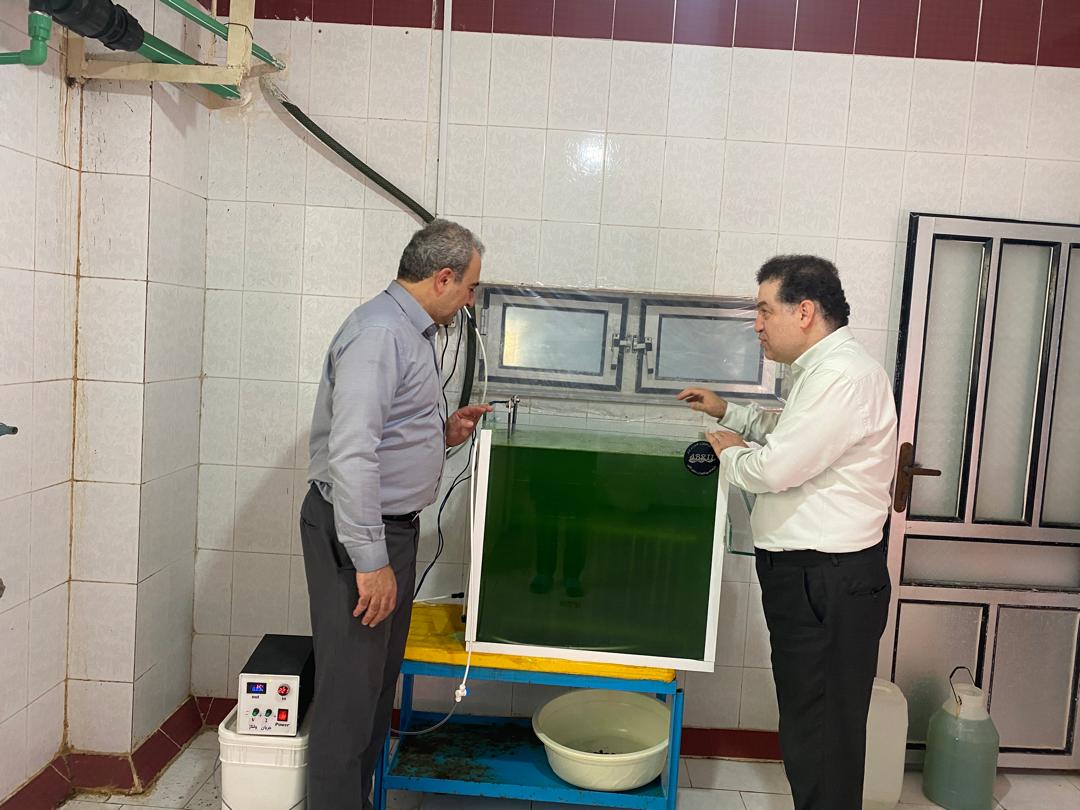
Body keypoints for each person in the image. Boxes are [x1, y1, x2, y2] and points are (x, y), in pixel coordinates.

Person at [677, 255, 897, 810]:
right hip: (816, 579)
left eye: (764, 310)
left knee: (821, 733)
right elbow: (791, 434)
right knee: (813, 724)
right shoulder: (822, 371)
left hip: (826, 581)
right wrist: (728, 412)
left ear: (804, 311)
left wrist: (729, 454)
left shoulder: (842, 376)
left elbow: (774, 468)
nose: (757, 325)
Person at [300, 219, 491, 810]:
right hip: (361, 534)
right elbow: (352, 453)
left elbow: (386, 432)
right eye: (470, 287)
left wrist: (442, 433)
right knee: (349, 699)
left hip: (389, 532)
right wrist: (370, 561)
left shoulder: (410, 333)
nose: (470, 301)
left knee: (374, 691)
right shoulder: (381, 333)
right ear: (443, 278)